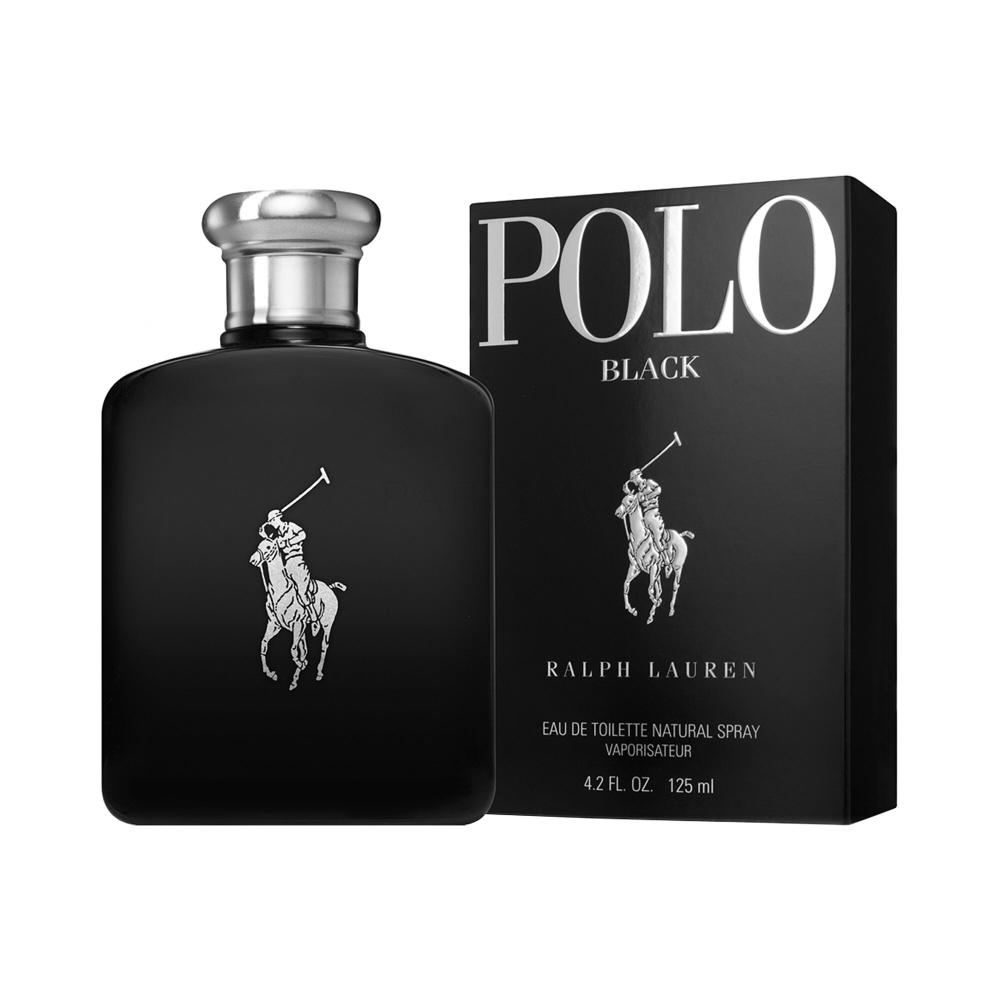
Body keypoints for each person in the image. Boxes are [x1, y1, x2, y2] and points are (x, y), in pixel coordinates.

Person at [261, 509, 320, 634]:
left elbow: (303, 535)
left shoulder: (291, 526)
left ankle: (314, 618)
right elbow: (272, 545)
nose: (272, 524)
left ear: (277, 518)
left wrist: (288, 542)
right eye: (270, 522)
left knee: (302, 592)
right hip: (286, 564)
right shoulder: (278, 535)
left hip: (298, 562)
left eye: (272, 521)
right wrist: (264, 535)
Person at [626, 469, 672, 564]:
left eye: (633, 479)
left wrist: (647, 497)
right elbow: (633, 502)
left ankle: (666, 559)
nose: (633, 482)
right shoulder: (638, 491)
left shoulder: (649, 482)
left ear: (638, 476)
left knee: (657, 538)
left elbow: (658, 490)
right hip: (645, 516)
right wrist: (628, 492)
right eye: (632, 480)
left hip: (653, 513)